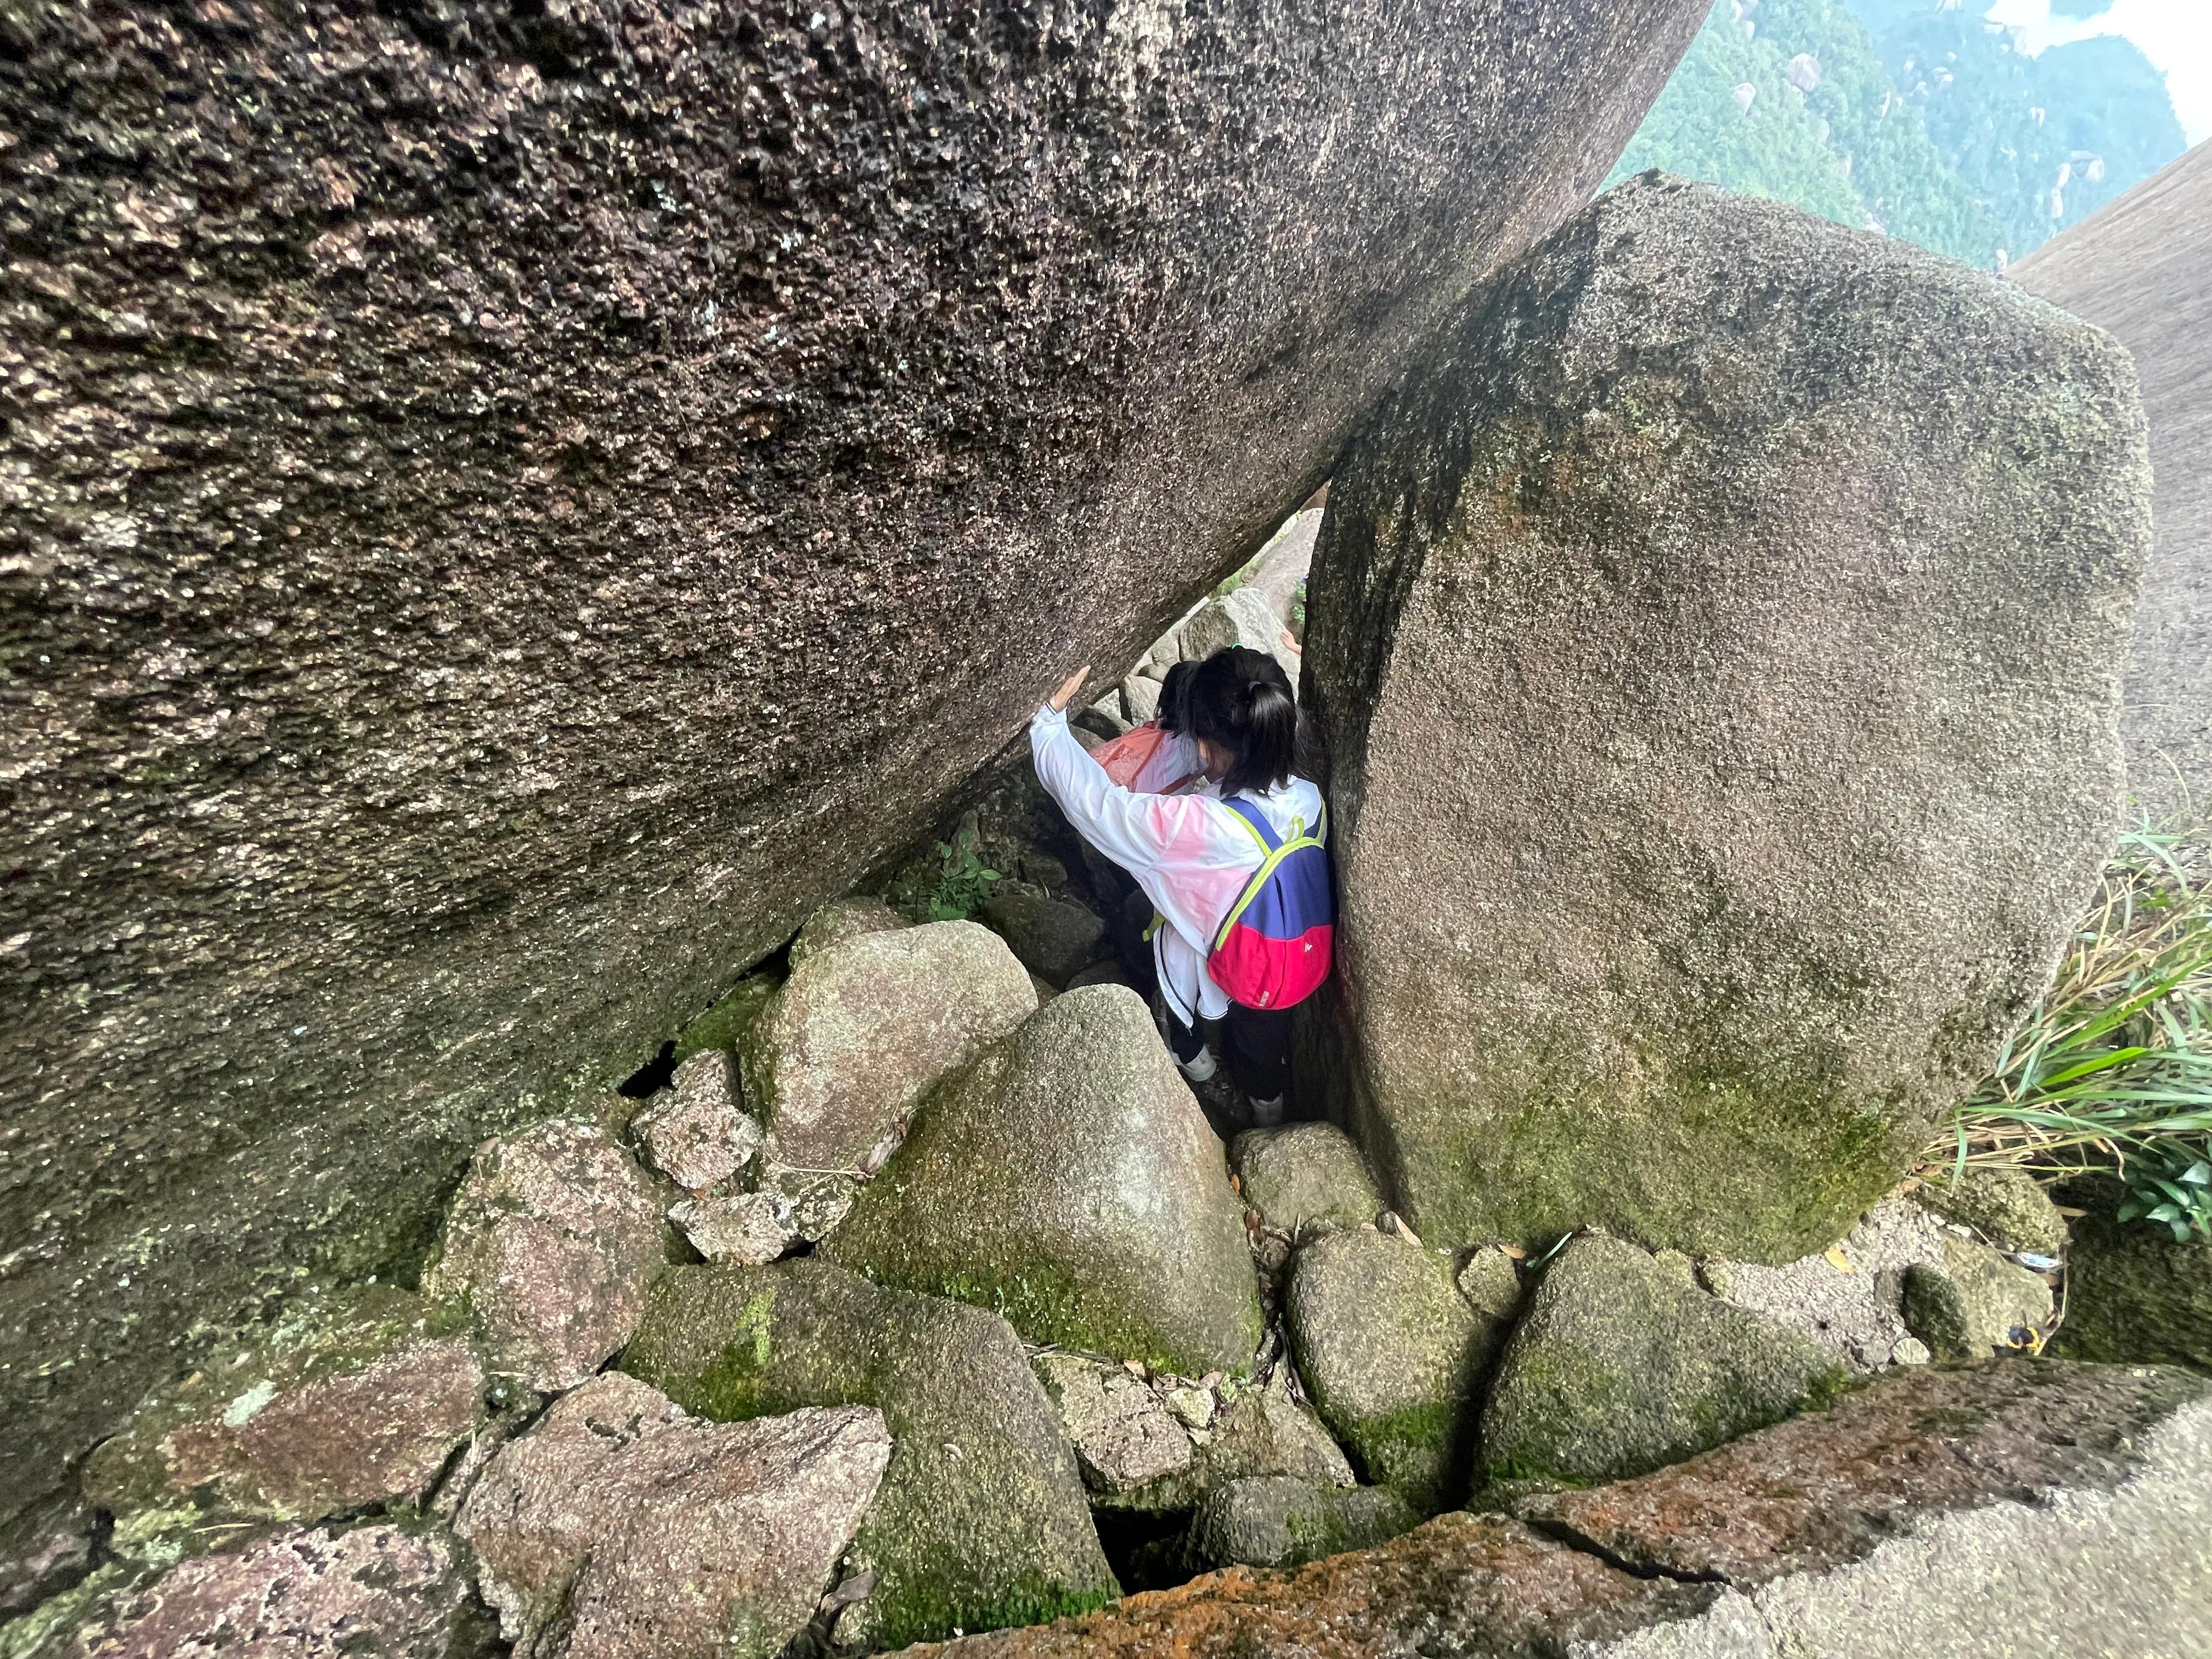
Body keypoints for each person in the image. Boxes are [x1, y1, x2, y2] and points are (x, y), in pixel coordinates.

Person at [1029, 647, 1325, 1126]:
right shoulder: (1308, 796)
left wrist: (1047, 727)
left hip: (1228, 958)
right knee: (1261, 1048)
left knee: (1154, 949)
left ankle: (1197, 1065)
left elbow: (1099, 807)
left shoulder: (1199, 826)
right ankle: (1269, 1118)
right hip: (1295, 960)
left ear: (1206, 744)